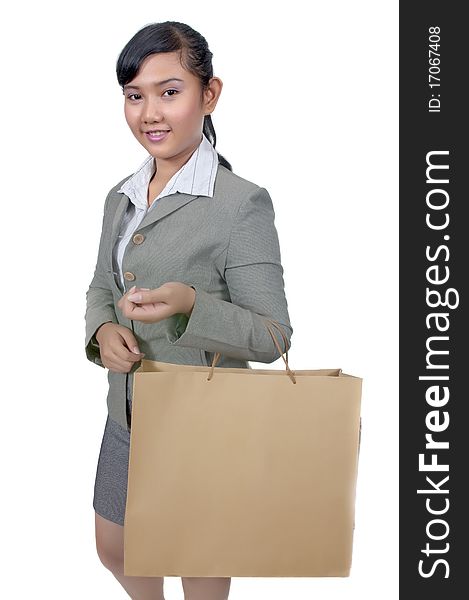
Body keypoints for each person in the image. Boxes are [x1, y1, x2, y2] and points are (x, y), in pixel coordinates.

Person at [84, 20, 293, 600]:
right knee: (114, 547)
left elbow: (273, 335)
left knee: (197, 566)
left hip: (203, 421)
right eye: (135, 95)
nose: (150, 112)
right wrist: (102, 328)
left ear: (210, 94)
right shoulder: (120, 197)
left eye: (169, 91)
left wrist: (191, 306)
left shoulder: (241, 204)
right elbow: (101, 285)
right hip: (126, 415)